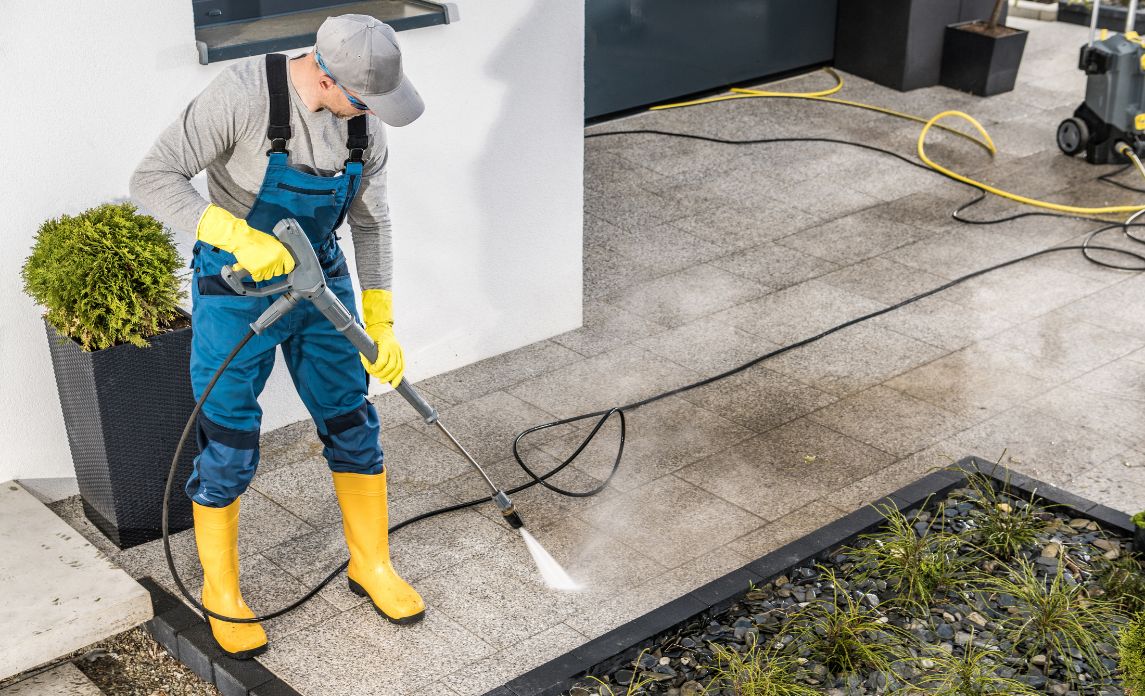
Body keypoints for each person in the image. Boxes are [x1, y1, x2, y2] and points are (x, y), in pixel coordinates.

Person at [130, 14, 425, 659]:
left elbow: (372, 225)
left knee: (351, 420)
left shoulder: (364, 127)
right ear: (324, 76)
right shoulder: (240, 96)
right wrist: (234, 235)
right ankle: (223, 594)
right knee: (230, 441)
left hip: (322, 282)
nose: (370, 116)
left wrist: (380, 314)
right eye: (363, 101)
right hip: (236, 288)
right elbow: (150, 179)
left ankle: (370, 564)